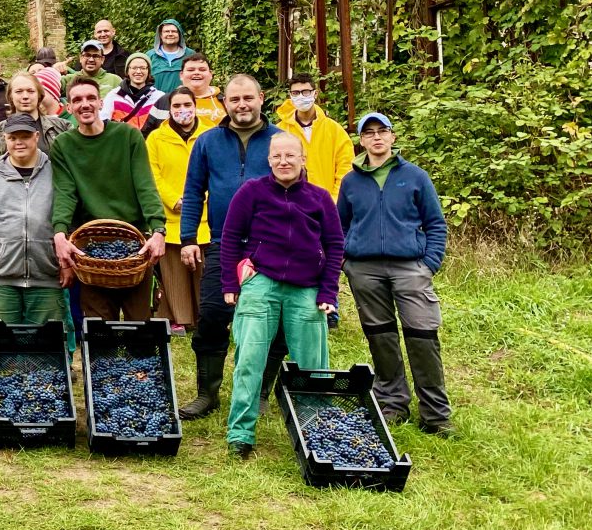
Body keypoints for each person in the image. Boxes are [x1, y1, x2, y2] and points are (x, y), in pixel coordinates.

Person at [220, 133, 343, 458]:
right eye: (277, 156)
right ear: (269, 160)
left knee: (313, 365)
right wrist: (231, 285)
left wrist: (328, 289)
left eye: (290, 155)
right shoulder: (252, 192)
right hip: (262, 282)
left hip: (307, 287)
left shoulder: (319, 198)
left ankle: (315, 433)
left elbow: (335, 245)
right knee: (249, 360)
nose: (283, 161)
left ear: (303, 159)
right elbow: (231, 237)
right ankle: (241, 434)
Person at [176, 74, 289, 420]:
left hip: (271, 246)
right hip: (223, 243)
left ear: (261, 98)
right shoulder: (208, 142)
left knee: (273, 322)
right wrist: (189, 238)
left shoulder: (281, 141)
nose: (242, 105)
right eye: (234, 99)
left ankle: (259, 393)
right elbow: (194, 192)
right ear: (224, 102)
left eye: (248, 98)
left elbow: (298, 192)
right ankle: (207, 394)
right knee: (212, 316)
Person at [338, 112, 452, 435]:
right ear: (361, 140)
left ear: (392, 137)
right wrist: (348, 262)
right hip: (365, 270)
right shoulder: (351, 181)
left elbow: (435, 223)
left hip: (410, 267)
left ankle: (435, 414)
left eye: (382, 131)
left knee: (423, 335)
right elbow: (340, 225)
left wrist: (428, 264)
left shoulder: (415, 176)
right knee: (381, 336)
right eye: (369, 133)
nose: (376, 137)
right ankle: (392, 403)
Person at [0, 113, 63, 427]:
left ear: (37, 136)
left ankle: (41, 400)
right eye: (13, 137)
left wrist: (66, 262)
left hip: (45, 275)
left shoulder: (56, 172)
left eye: (25, 136)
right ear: (5, 140)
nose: (19, 142)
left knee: (46, 341)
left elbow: (68, 219)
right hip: (1, 276)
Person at [50, 76, 166, 321]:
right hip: (91, 245)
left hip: (133, 241)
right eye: (77, 100)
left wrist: (158, 229)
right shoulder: (63, 145)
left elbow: (145, 185)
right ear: (69, 108)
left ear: (101, 103)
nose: (85, 104)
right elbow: (65, 192)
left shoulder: (127, 136)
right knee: (99, 327)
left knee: (139, 324)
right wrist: (60, 233)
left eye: (91, 98)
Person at [145, 86, 215, 330]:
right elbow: (153, 175)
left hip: (206, 215)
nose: (182, 110)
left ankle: (205, 317)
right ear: (169, 110)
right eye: (177, 106)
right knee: (175, 274)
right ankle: (180, 317)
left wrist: (201, 197)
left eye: (187, 105)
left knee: (203, 271)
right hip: (171, 216)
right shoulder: (155, 138)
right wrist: (173, 199)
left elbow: (217, 171)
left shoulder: (211, 134)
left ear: (195, 106)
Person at [0, 72, 70, 184]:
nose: (25, 96)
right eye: (19, 91)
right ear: (10, 96)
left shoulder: (62, 127)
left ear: (39, 95)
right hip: (6, 199)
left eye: (31, 91)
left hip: (51, 197)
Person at [277, 74, 354, 199]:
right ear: (290, 95)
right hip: (290, 209)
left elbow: (346, 168)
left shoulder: (334, 130)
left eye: (306, 92)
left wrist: (334, 202)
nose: (301, 97)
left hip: (327, 206)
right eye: (296, 93)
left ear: (315, 94)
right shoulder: (280, 131)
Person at [152, 54, 225, 127]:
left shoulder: (225, 100)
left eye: (202, 70)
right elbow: (148, 133)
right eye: (191, 70)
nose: (196, 73)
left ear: (210, 74)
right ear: (181, 75)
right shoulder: (164, 101)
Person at [101, 54, 162, 134]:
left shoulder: (159, 97)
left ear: (148, 71)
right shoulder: (113, 96)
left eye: (143, 68)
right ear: (127, 71)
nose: (138, 71)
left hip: (149, 144)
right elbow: (103, 122)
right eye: (134, 68)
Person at [146, 19, 197, 94]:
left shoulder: (190, 55)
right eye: (166, 31)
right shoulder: (150, 56)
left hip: (183, 102)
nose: (170, 34)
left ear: (179, 34)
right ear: (160, 35)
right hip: (156, 103)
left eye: (174, 31)